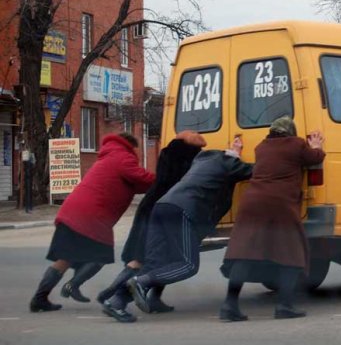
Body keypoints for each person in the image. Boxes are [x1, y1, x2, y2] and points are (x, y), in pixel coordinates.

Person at [102, 137, 253, 323]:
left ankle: (115, 302)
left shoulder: (202, 161)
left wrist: (232, 153)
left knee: (154, 263)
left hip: (162, 206)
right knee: (187, 265)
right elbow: (254, 170)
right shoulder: (228, 163)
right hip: (182, 210)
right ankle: (140, 283)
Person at [29, 133, 155, 312]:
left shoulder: (110, 156)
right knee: (99, 256)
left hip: (73, 211)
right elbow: (143, 178)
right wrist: (166, 179)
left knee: (64, 259)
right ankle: (72, 285)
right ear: (130, 145)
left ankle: (39, 298)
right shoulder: (122, 156)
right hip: (91, 215)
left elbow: (137, 184)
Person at [219, 116, 325, 321]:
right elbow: (315, 158)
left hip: (251, 203)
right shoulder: (296, 144)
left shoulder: (261, 147)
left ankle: (229, 305)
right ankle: (285, 305)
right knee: (292, 254)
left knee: (244, 253)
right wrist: (317, 146)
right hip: (280, 204)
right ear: (290, 131)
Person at [96, 130, 207, 312]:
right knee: (151, 258)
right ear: (193, 146)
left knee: (149, 256)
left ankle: (146, 298)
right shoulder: (189, 157)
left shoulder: (166, 152)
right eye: (200, 146)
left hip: (150, 204)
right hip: (165, 207)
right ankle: (116, 295)